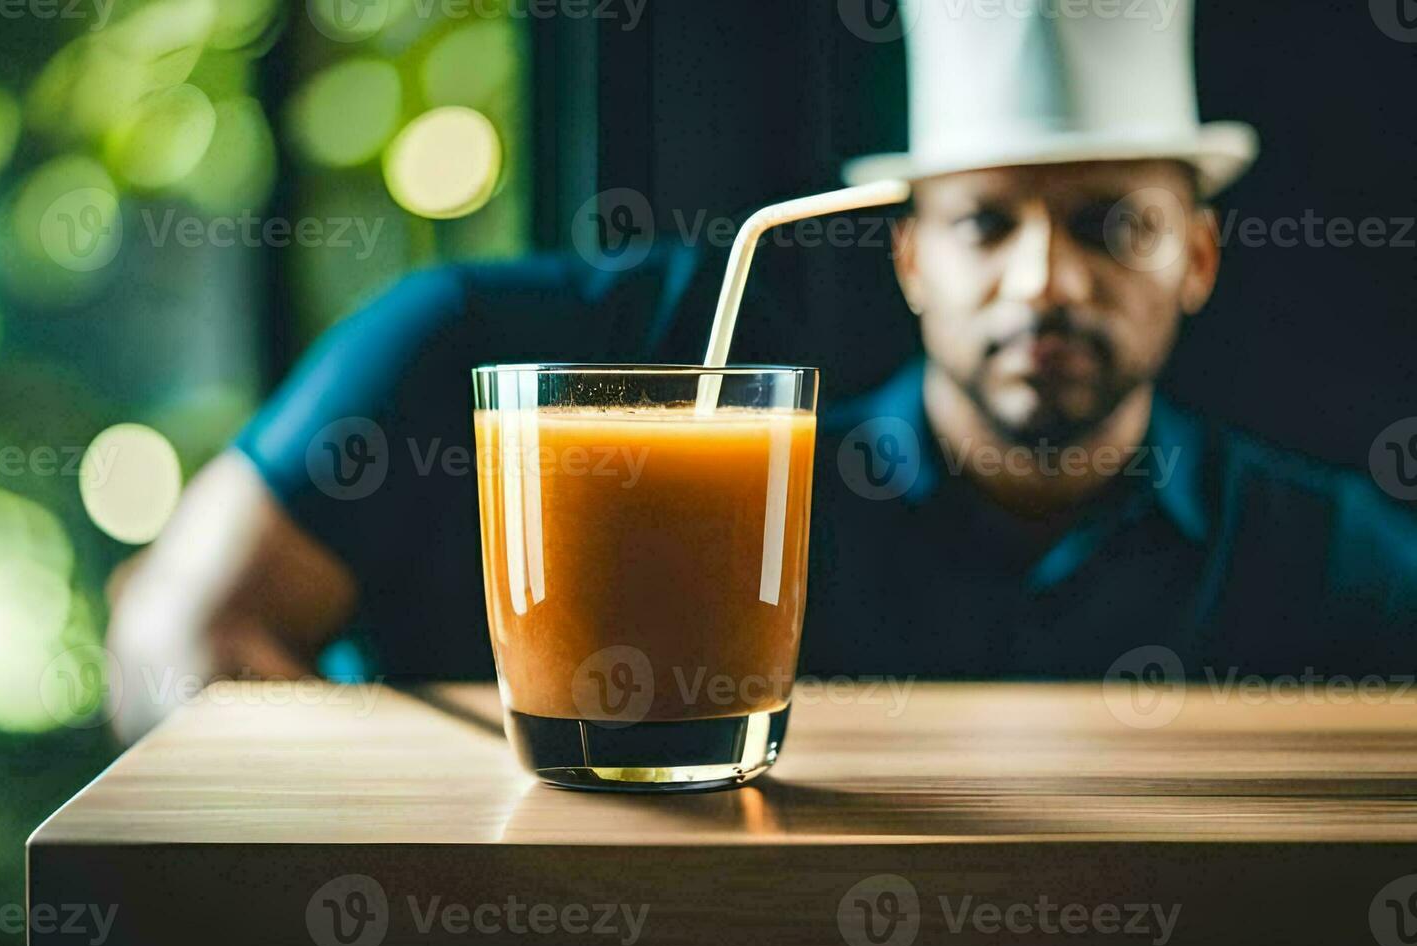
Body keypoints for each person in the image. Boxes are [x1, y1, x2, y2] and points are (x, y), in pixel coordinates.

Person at [107, 2, 1417, 740]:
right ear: (908, 260)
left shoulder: (1332, 553)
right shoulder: (735, 500)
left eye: (1106, 225)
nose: (1044, 284)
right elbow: (175, 637)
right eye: (984, 223)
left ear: (1194, 257)